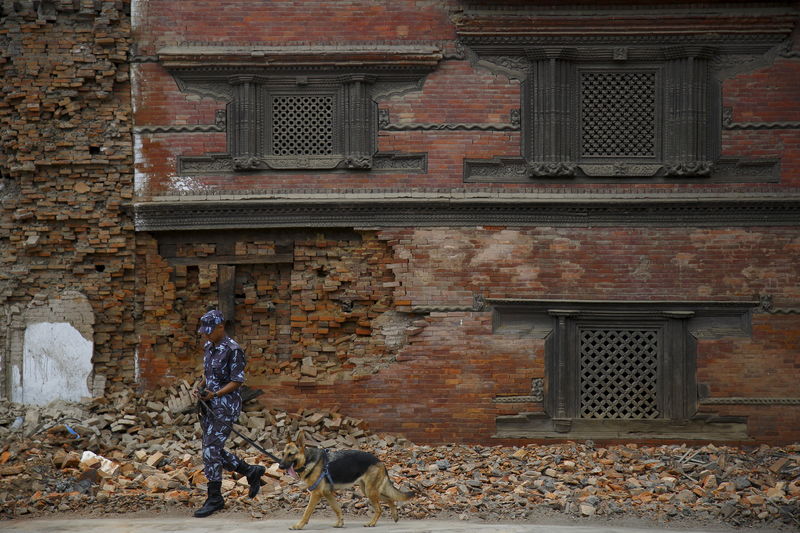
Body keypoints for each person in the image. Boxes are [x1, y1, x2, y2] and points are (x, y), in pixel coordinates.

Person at [192, 309, 265, 518]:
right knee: (211, 449)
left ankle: (215, 498)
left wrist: (215, 394)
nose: (206, 335)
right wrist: (201, 386)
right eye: (204, 331)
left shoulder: (233, 349)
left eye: (209, 331)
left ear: (220, 327)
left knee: (210, 450)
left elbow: (237, 381)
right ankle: (250, 471)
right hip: (208, 406)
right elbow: (207, 372)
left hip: (225, 406)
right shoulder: (209, 346)